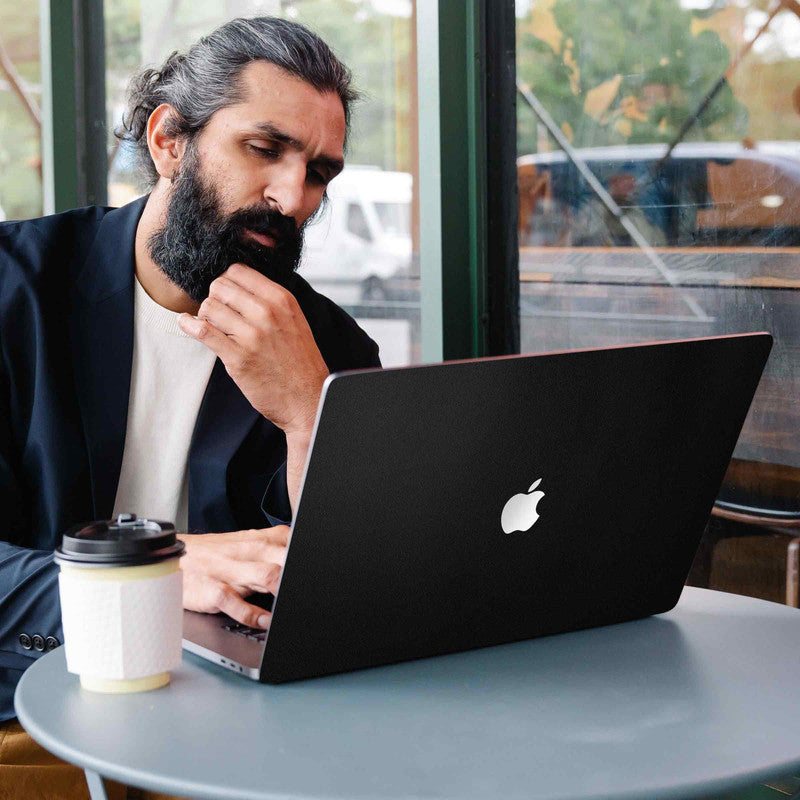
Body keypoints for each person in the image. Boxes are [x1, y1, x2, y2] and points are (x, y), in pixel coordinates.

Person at [0, 16, 380, 797]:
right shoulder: (11, 289)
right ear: (169, 139)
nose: (293, 197)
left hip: (245, 736)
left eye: (319, 173)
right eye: (265, 149)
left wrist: (311, 415)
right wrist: (144, 583)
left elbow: (351, 592)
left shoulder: (331, 350)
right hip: (27, 711)